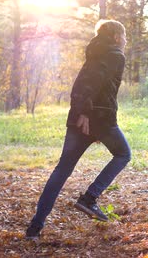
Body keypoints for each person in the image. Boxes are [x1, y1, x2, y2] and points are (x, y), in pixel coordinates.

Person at [25, 19, 132, 239]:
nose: (125, 40)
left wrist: (81, 112)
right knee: (123, 154)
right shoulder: (115, 55)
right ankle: (89, 198)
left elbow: (82, 84)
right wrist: (86, 113)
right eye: (123, 35)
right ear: (115, 37)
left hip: (82, 117)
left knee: (62, 170)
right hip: (99, 118)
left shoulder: (94, 53)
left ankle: (34, 228)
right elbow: (93, 83)